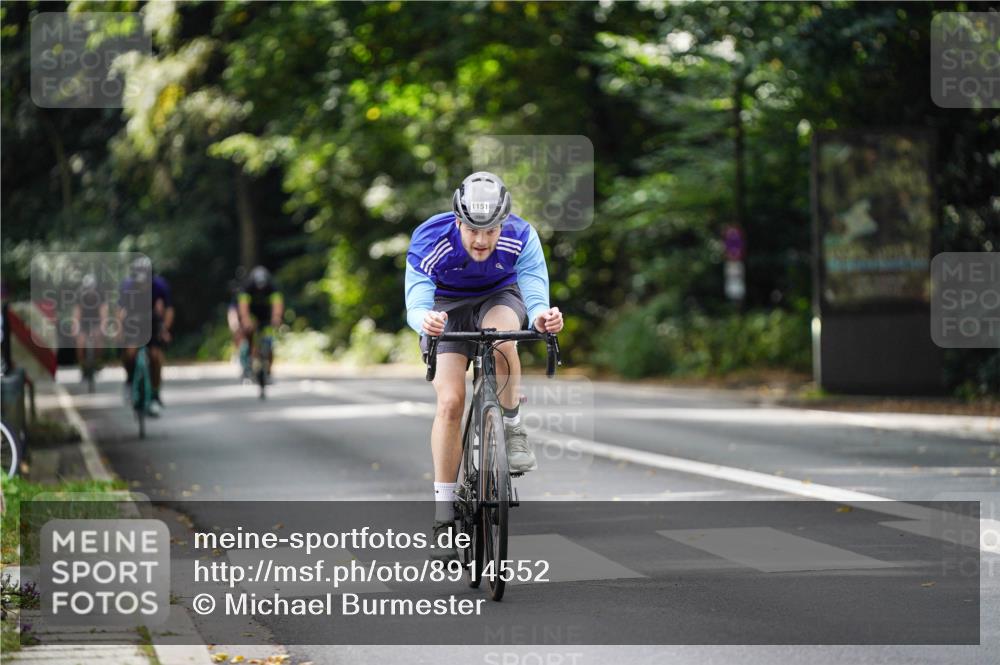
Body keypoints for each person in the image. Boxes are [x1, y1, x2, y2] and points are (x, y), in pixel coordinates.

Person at [404, 171, 563, 561]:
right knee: (451, 402)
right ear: (457, 221)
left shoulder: (522, 236)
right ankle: (444, 515)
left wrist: (542, 316)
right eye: (472, 230)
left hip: (499, 296)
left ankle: (511, 426)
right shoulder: (430, 238)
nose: (480, 240)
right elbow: (417, 298)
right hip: (445, 307)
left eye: (490, 231)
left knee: (502, 337)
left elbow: (533, 287)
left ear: (503, 225)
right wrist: (425, 319)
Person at [118, 257, 174, 416]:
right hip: (133, 320)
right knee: (130, 351)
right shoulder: (127, 286)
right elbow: (121, 312)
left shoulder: (160, 286)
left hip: (152, 320)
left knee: (155, 357)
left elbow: (167, 310)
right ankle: (129, 380)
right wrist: (120, 331)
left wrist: (165, 330)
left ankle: (155, 393)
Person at [237, 266, 284, 378]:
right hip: (252, 313)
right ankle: (248, 363)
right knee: (249, 334)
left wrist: (276, 318)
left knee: (269, 341)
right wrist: (246, 320)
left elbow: (277, 304)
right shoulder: (248, 286)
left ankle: (268, 370)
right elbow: (243, 307)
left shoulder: (272, 287)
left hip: (266, 314)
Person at [73, 273, 109, 380]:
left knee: (98, 337)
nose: (89, 291)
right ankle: (83, 366)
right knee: (80, 342)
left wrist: (103, 327)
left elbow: (104, 312)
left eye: (91, 288)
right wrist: (75, 327)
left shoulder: (100, 294)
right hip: (84, 320)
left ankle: (97, 361)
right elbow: (76, 313)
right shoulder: (80, 294)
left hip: (96, 320)